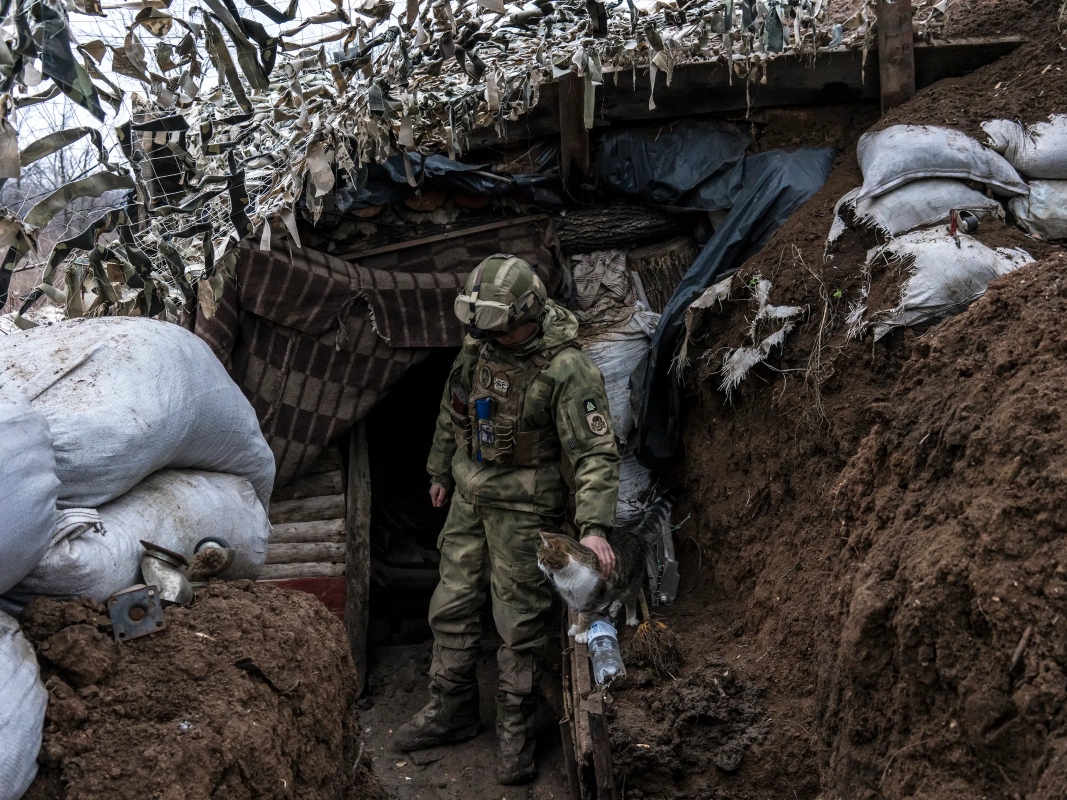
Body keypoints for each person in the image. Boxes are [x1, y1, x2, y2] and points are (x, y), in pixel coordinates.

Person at [393, 254, 620, 785]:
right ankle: (451, 712)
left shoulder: (568, 368)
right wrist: (439, 473)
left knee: (518, 625)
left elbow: (595, 454)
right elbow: (454, 413)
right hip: (470, 504)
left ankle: (515, 732)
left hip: (526, 512)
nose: (488, 338)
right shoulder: (479, 347)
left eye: (500, 329)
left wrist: (592, 527)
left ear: (529, 314)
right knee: (450, 606)